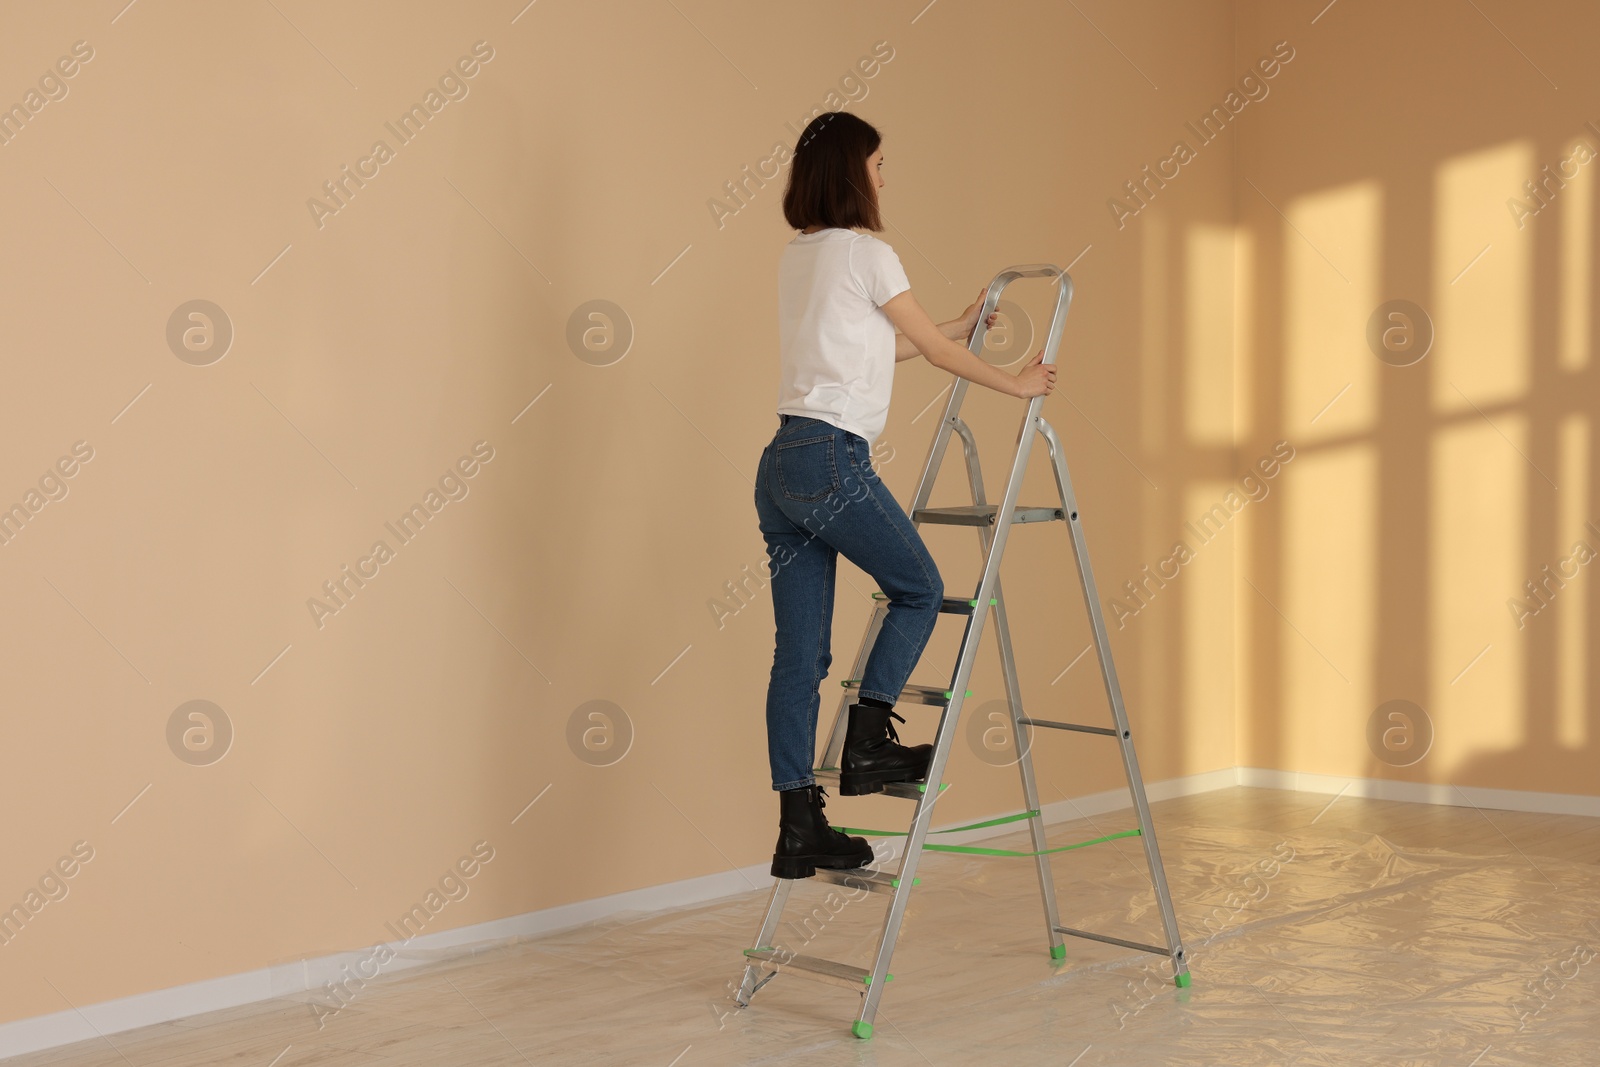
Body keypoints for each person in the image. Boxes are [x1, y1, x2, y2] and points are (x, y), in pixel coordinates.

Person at [757, 111, 1056, 879]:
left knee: (800, 657)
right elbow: (927, 346)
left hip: (781, 463)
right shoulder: (869, 252)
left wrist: (958, 323)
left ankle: (799, 827)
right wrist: (1017, 386)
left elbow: (876, 344)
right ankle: (867, 740)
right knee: (920, 587)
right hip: (830, 456)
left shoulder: (803, 256)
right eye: (881, 164)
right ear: (855, 172)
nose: (886, 177)